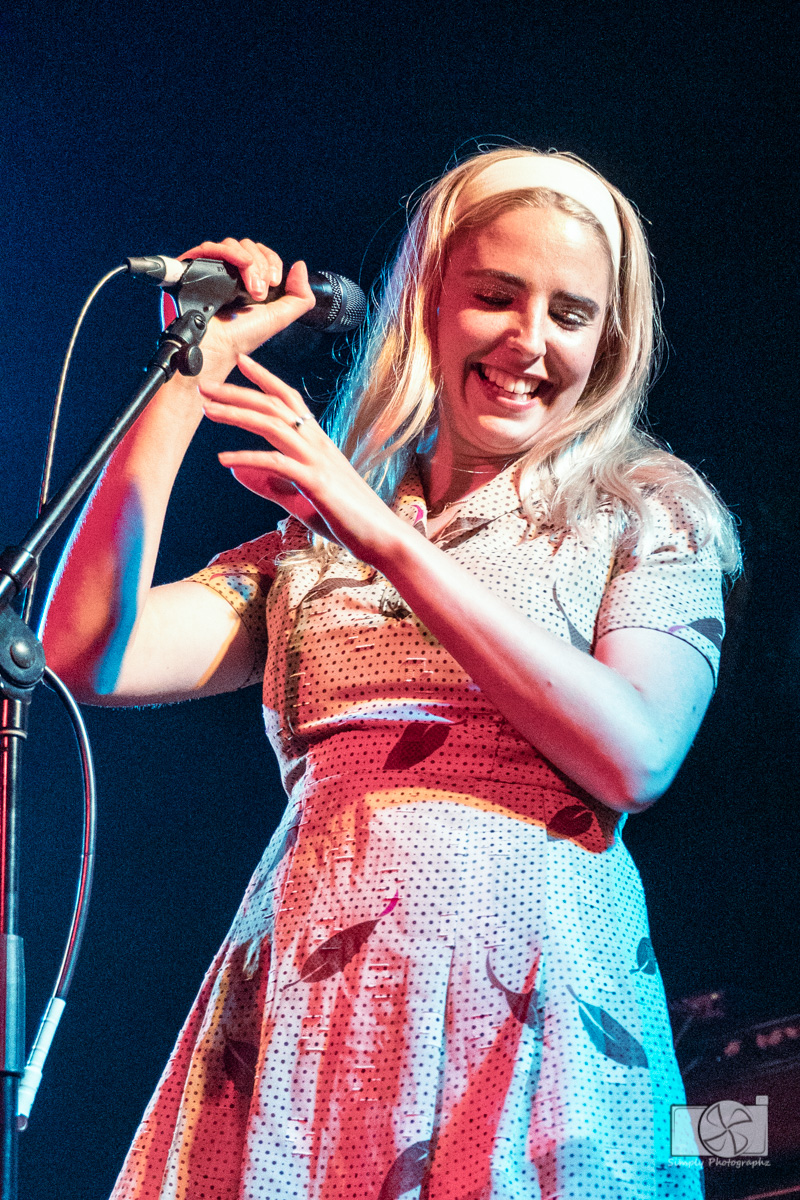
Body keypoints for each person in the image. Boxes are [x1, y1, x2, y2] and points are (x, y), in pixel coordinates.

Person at [41, 147, 740, 1199]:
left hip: (534, 1000)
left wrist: (385, 541)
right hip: (318, 1004)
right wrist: (188, 374)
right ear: (427, 306)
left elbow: (635, 755)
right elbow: (87, 650)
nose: (528, 340)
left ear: (608, 341)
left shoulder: (644, 507)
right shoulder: (310, 547)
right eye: (495, 297)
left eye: (569, 314)